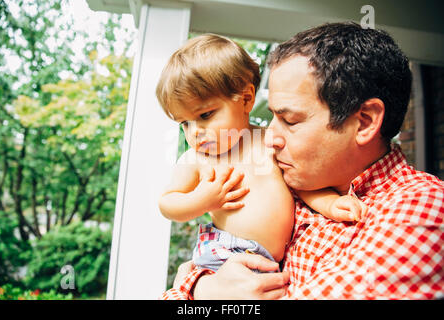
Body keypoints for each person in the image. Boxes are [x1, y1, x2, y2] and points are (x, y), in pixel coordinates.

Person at [161, 23, 444, 300]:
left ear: (365, 122)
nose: (270, 137)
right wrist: (198, 284)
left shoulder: (421, 208)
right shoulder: (297, 178)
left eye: (290, 119)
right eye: (272, 116)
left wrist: (191, 289)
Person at [155, 34, 365, 274]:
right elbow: (167, 203)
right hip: (224, 255)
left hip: (276, 264)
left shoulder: (269, 142)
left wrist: (332, 204)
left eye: (205, 116)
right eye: (185, 123)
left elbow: (301, 186)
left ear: (246, 99)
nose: (195, 132)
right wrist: (202, 200)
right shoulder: (197, 159)